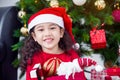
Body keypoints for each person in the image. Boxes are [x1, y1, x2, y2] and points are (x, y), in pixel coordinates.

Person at [20, 7, 100, 80]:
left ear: (61, 32)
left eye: (52, 28)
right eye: (41, 30)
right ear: (34, 36)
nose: (47, 33)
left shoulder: (71, 55)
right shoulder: (34, 59)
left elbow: (80, 77)